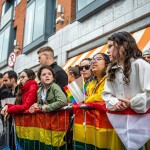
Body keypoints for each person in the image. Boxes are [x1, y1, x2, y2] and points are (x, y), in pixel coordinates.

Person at [102, 32, 150, 113]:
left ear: (124, 46)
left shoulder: (140, 64)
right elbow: (107, 95)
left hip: (142, 121)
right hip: (120, 121)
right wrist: (116, 102)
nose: (107, 51)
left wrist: (131, 103)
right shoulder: (111, 70)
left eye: (110, 46)